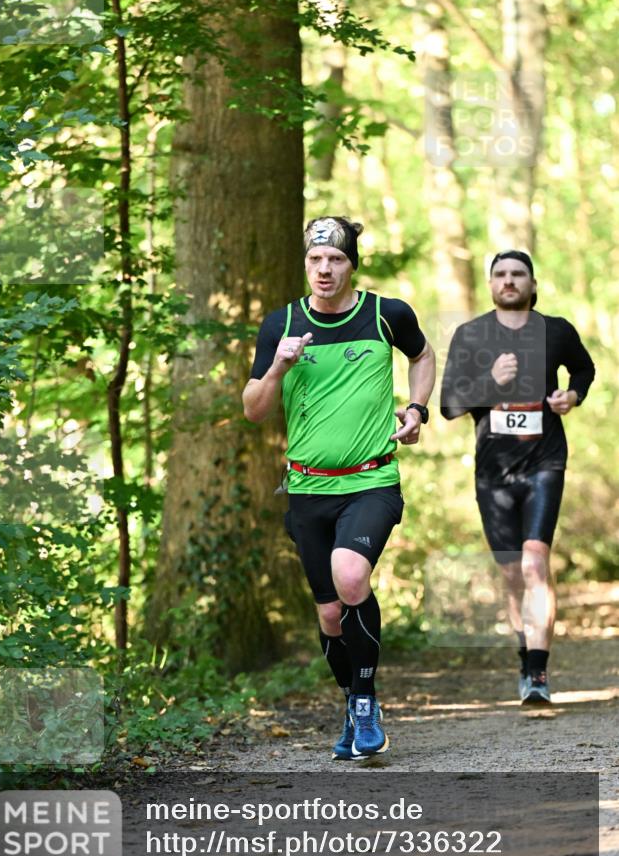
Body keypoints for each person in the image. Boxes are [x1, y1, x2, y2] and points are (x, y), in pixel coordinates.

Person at [242, 216, 435, 759]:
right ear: (305, 264)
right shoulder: (281, 325)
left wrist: (417, 409)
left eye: (336, 259)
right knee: (329, 614)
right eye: (315, 259)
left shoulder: (387, 315)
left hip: (372, 479)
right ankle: (352, 700)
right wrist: (278, 368)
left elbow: (422, 355)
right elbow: (253, 409)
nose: (324, 269)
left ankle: (367, 702)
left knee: (351, 577)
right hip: (308, 489)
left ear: (352, 265)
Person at [440, 250, 595, 704]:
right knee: (511, 573)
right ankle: (525, 657)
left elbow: (584, 369)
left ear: (532, 283)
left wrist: (573, 395)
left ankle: (539, 673)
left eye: (518, 274)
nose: (509, 281)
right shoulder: (471, 335)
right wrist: (490, 381)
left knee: (533, 563)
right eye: (501, 274)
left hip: (545, 461)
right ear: (491, 285)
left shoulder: (556, 330)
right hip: (493, 472)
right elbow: (448, 406)